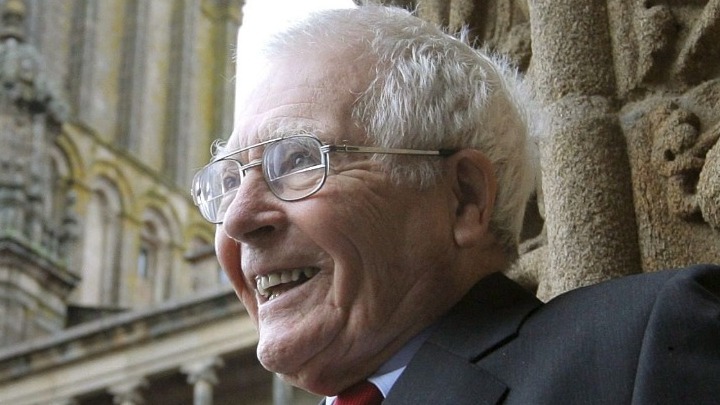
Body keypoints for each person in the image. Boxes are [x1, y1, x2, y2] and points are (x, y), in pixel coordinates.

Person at [191, 5, 720, 404]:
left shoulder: (640, 348)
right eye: (229, 179)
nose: (237, 218)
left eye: (298, 160)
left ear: (464, 197)